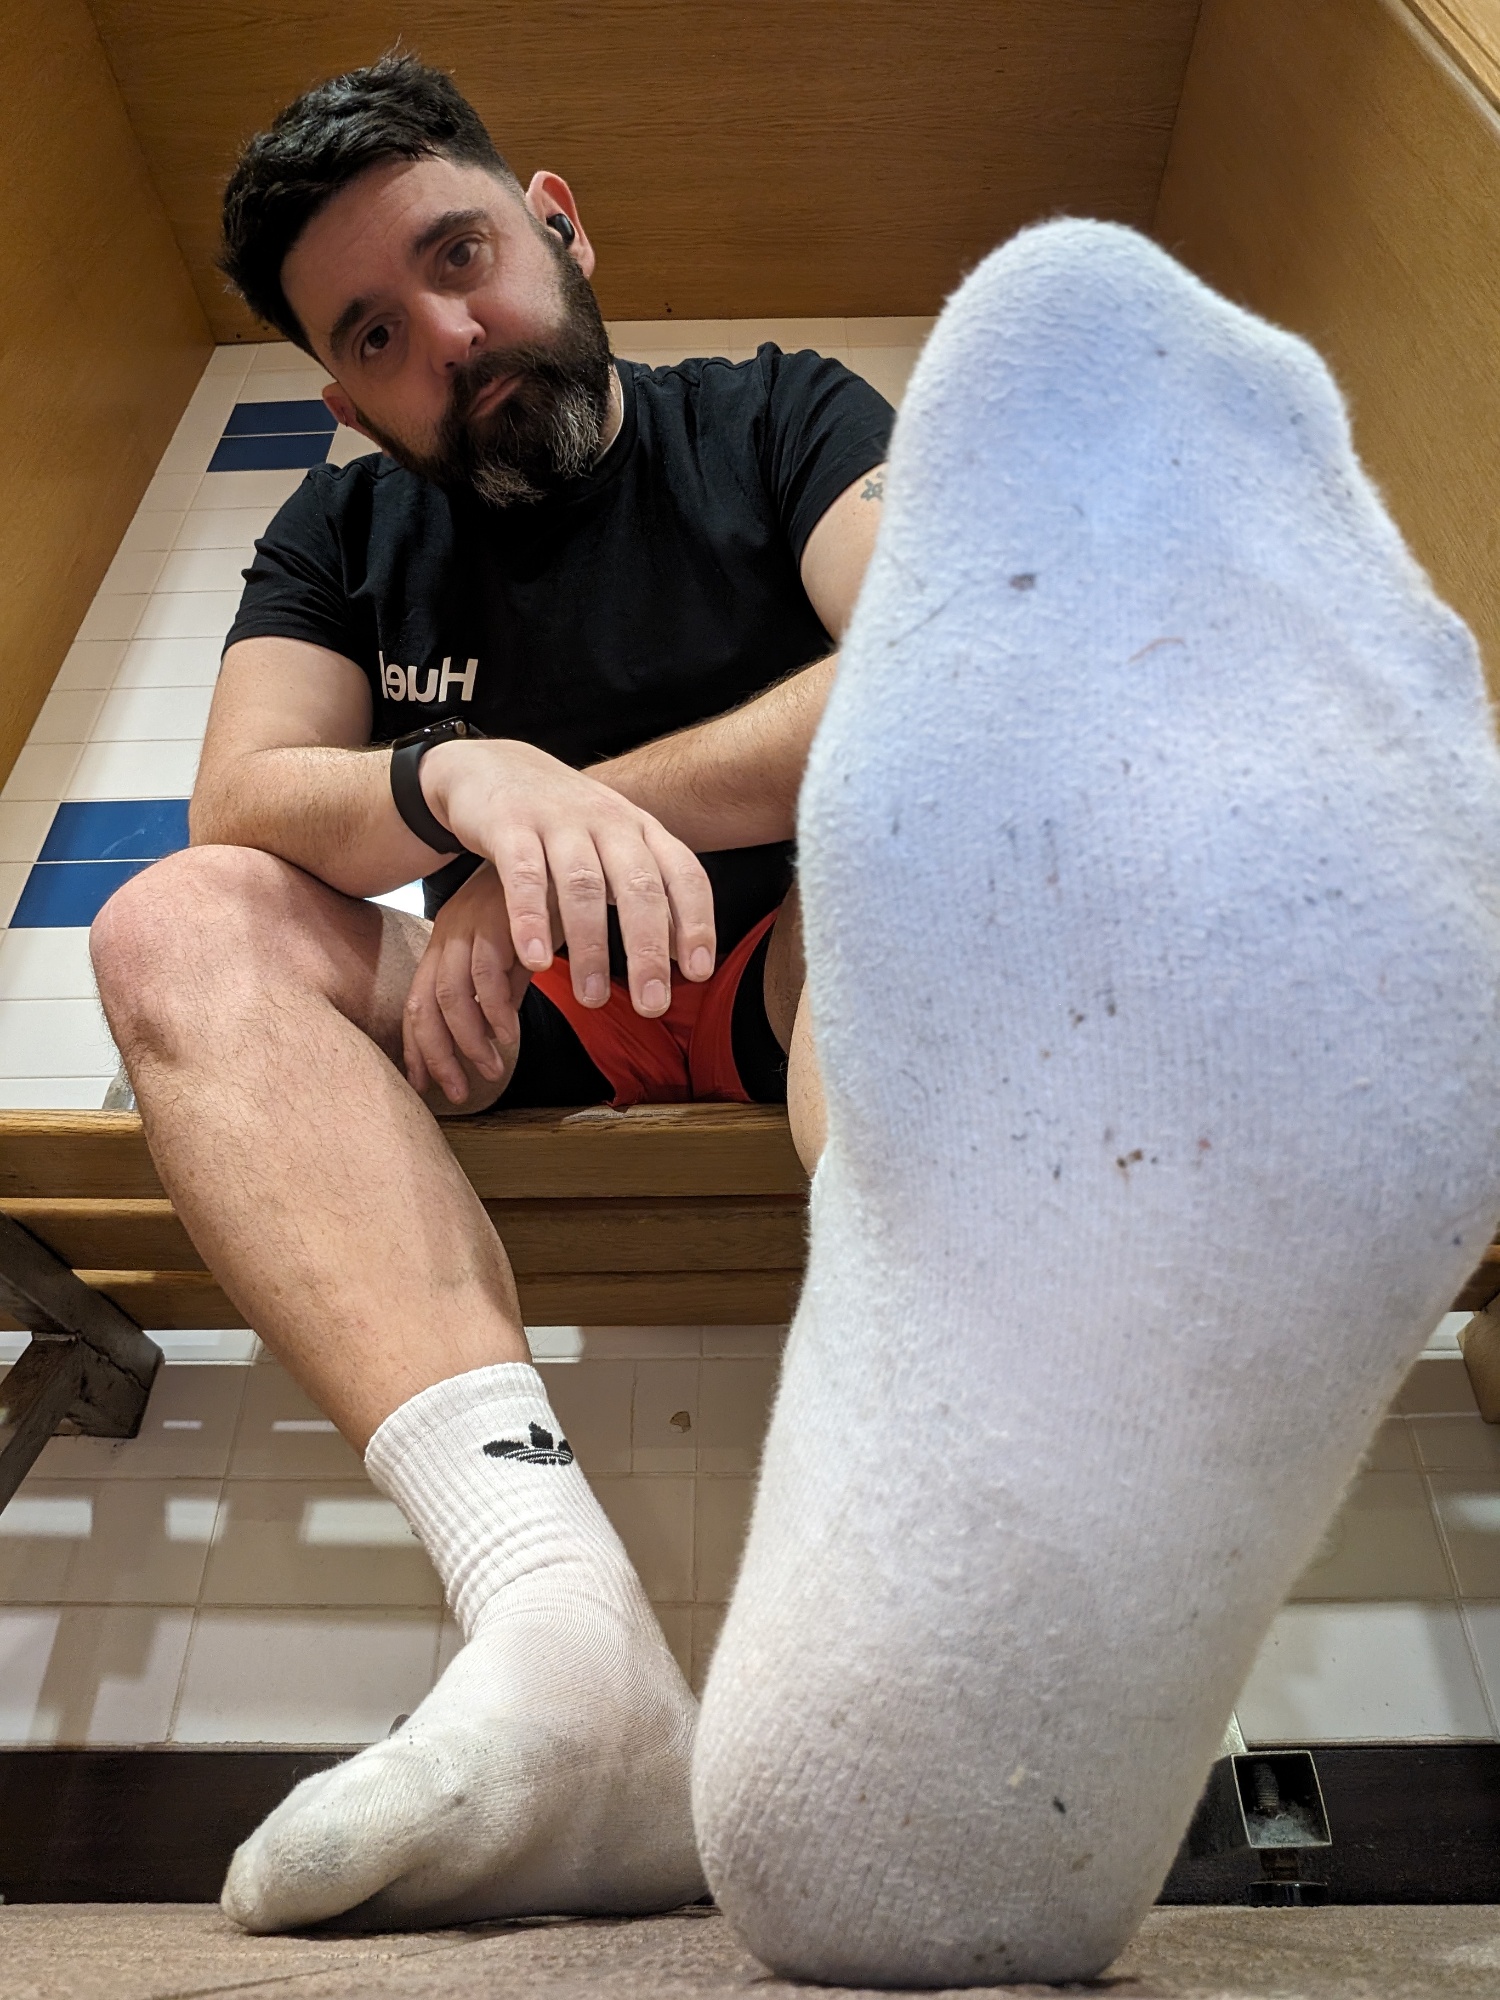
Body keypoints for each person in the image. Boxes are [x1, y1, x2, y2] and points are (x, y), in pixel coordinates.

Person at [88, 52, 886, 1933]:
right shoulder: (339, 535)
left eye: (460, 257)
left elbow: (942, 656)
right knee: (178, 923)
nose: (449, 338)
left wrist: (556, 828)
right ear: (344, 393)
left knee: (934, 831)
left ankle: (938, 1557)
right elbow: (243, 798)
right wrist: (463, 784)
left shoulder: (780, 412)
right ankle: (561, 1640)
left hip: (799, 967)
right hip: (509, 1031)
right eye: (375, 332)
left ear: (557, 224)